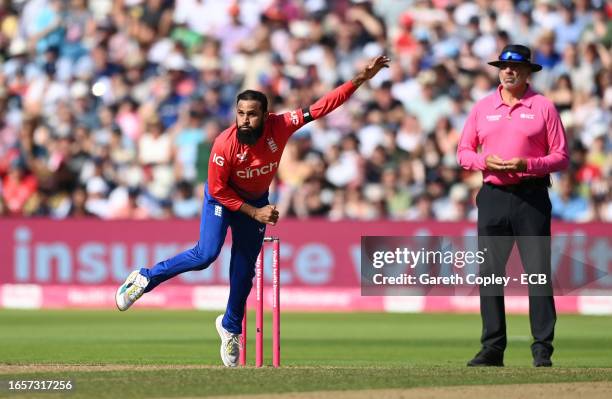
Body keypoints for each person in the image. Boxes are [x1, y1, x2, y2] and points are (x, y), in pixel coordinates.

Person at [115, 55, 391, 367]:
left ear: (265, 115)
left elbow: (322, 105)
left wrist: (360, 79)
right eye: (241, 114)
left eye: (252, 115)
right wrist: (255, 212)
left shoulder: (282, 125)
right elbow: (218, 190)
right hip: (222, 200)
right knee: (206, 255)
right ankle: (145, 278)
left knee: (244, 272)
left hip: (256, 202)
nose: (245, 120)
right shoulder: (224, 144)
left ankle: (230, 327)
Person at [457, 44, 569, 367]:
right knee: (490, 275)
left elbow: (561, 156)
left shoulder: (543, 107)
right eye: (504, 67)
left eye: (516, 68)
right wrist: (484, 161)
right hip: (493, 196)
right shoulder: (482, 107)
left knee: (537, 274)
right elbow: (463, 152)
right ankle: (492, 347)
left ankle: (542, 349)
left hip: (530, 196)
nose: (508, 72)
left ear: (527, 72)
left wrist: (527, 164)